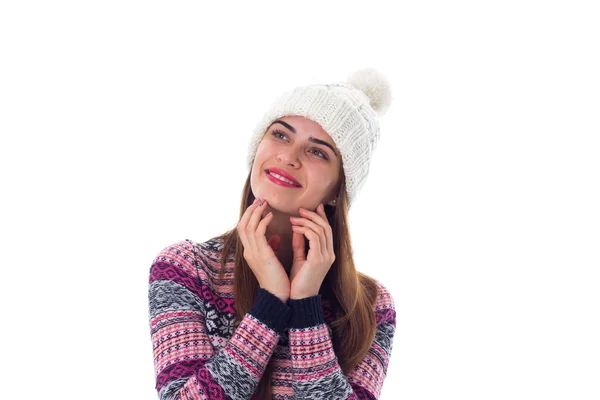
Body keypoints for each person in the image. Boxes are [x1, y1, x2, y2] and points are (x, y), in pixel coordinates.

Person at [148, 68, 397, 399]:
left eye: (318, 152)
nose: (288, 156)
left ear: (339, 189)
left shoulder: (370, 306)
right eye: (280, 135)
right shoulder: (184, 268)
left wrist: (305, 304)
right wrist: (270, 303)